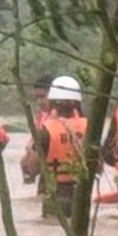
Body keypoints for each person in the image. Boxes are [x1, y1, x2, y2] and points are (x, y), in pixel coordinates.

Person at [27, 76, 96, 225]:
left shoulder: (46, 130)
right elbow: (99, 166)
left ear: (52, 102)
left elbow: (32, 169)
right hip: (81, 198)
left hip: (54, 196)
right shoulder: (90, 128)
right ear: (77, 103)